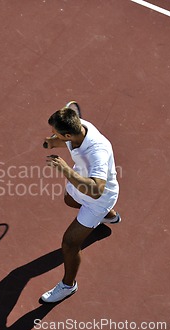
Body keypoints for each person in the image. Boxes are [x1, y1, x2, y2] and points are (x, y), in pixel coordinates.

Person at [41, 101, 121, 303]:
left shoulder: (98, 151)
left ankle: (68, 286)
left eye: (56, 133)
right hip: (79, 182)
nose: (53, 134)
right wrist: (53, 142)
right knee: (69, 200)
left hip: (98, 198)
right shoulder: (78, 126)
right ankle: (109, 216)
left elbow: (95, 191)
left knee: (69, 243)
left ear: (68, 134)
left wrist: (65, 169)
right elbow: (66, 141)